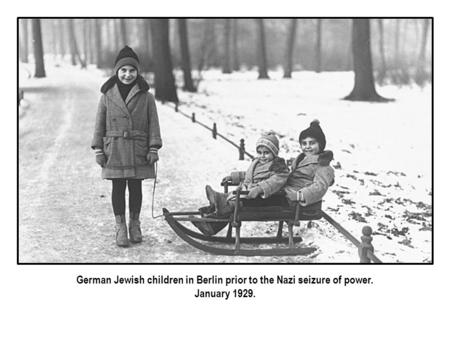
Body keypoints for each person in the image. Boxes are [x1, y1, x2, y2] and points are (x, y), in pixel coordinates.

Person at [91, 46, 162, 247]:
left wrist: (153, 147)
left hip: (138, 149)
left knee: (136, 187)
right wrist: (98, 149)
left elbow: (153, 123)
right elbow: (99, 123)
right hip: (114, 148)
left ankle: (134, 224)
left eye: (132, 70)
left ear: (137, 72)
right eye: (123, 70)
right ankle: (120, 226)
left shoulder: (146, 96)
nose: (128, 74)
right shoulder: (106, 95)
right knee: (118, 187)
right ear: (117, 71)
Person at [194, 132, 289, 236]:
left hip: (264, 198)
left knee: (233, 203)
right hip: (249, 193)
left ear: (274, 153)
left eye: (266, 153)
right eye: (260, 152)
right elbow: (248, 174)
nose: (262, 156)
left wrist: (259, 188)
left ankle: (214, 210)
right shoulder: (257, 163)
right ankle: (211, 220)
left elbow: (273, 182)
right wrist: (234, 177)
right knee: (232, 199)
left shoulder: (279, 168)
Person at [284, 120, 334, 206]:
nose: (307, 147)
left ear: (320, 145)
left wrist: (299, 195)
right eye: (304, 143)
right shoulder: (301, 158)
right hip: (288, 189)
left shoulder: (322, 164)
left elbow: (320, 187)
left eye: (312, 143)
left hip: (296, 197)